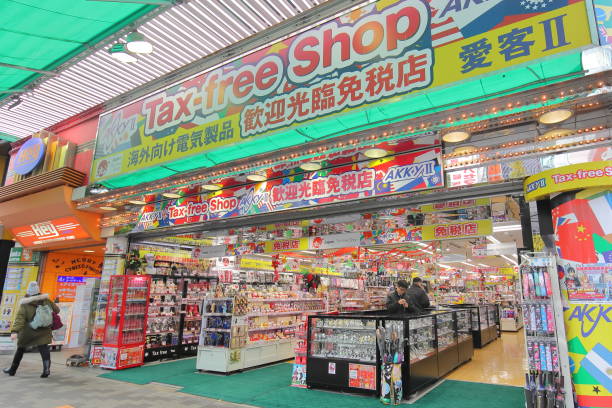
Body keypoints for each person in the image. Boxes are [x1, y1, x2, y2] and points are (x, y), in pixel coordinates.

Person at [3, 281, 59, 378]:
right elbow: (57, 310)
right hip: (44, 330)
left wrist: (15, 331)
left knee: (20, 348)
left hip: (29, 331)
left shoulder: (25, 303)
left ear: (28, 292)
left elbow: (20, 319)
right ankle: (46, 369)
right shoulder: (46, 300)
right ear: (38, 291)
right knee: (44, 348)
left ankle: (12, 370)